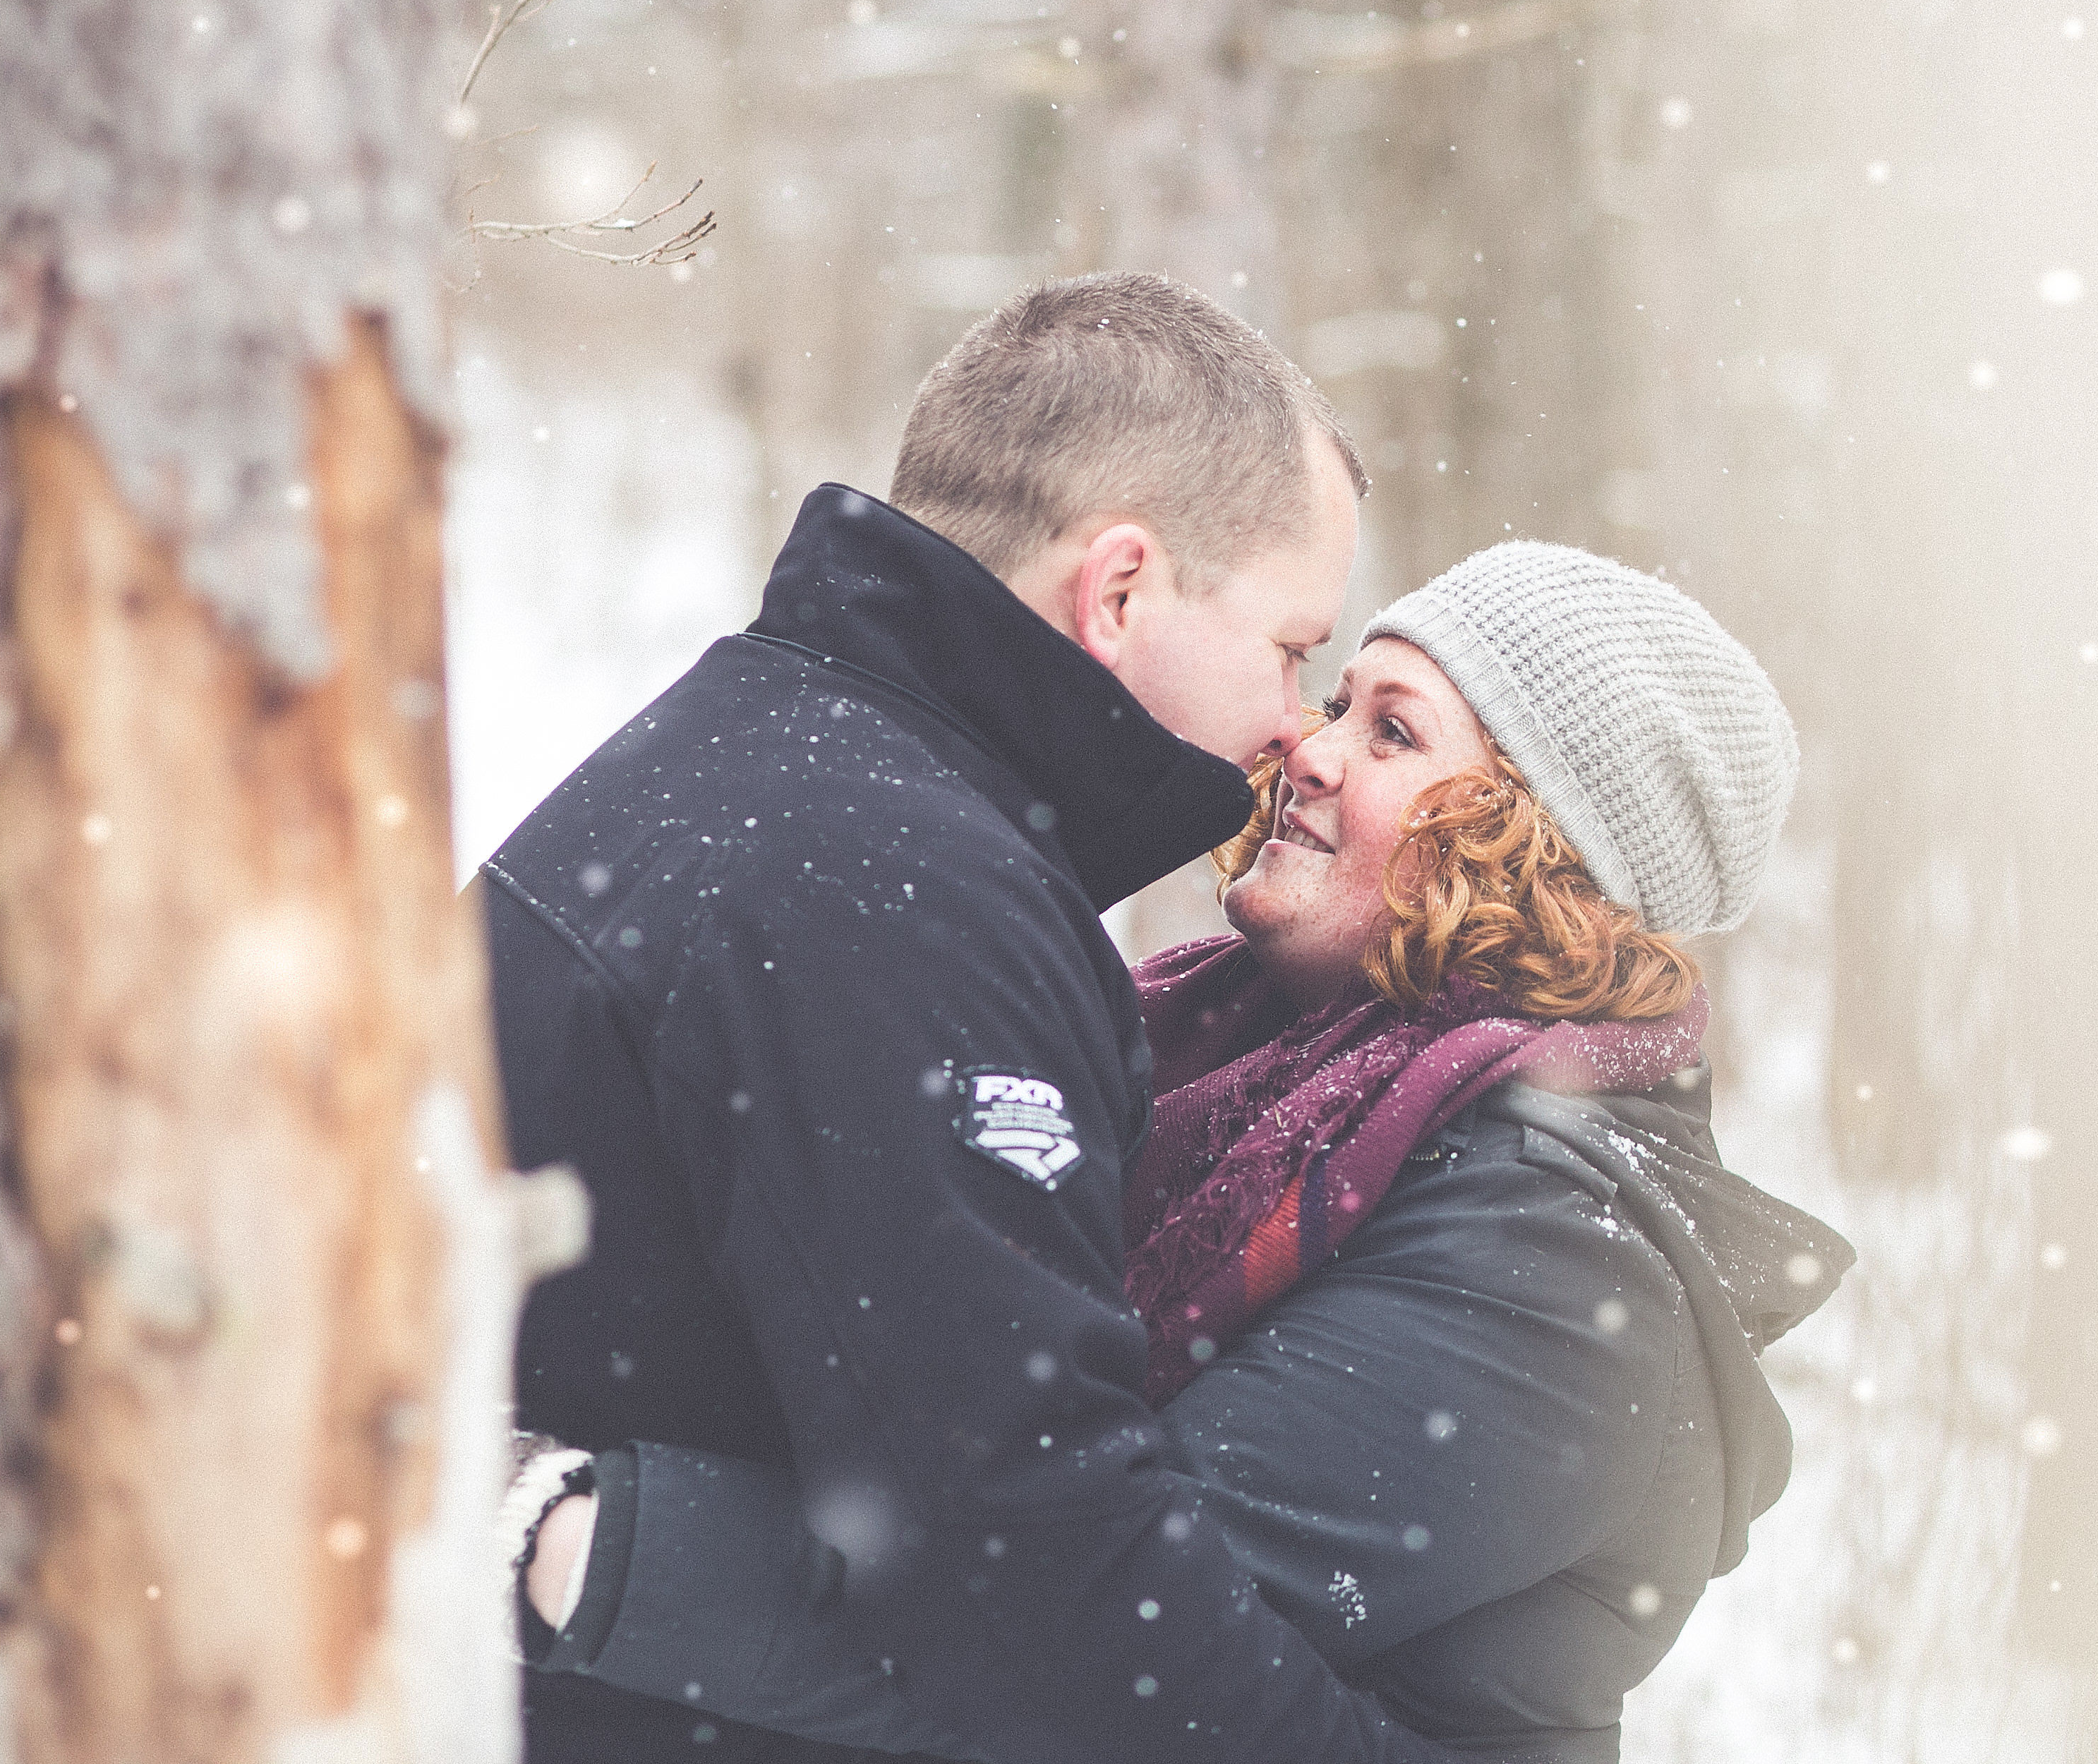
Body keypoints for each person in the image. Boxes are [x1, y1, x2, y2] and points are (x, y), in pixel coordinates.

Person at [512, 542, 1854, 1762]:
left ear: (1534, 859)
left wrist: (570, 1536)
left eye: (1393, 733)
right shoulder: (1224, 1054)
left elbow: (1074, 1620)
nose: (1307, 749)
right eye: (1336, 703)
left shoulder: (1556, 1275)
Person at [481, 271, 1478, 1763]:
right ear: (1121, 588)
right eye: (1288, 648)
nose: (1293, 724)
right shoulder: (887, 893)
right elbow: (1034, 1568)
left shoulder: (779, 767)